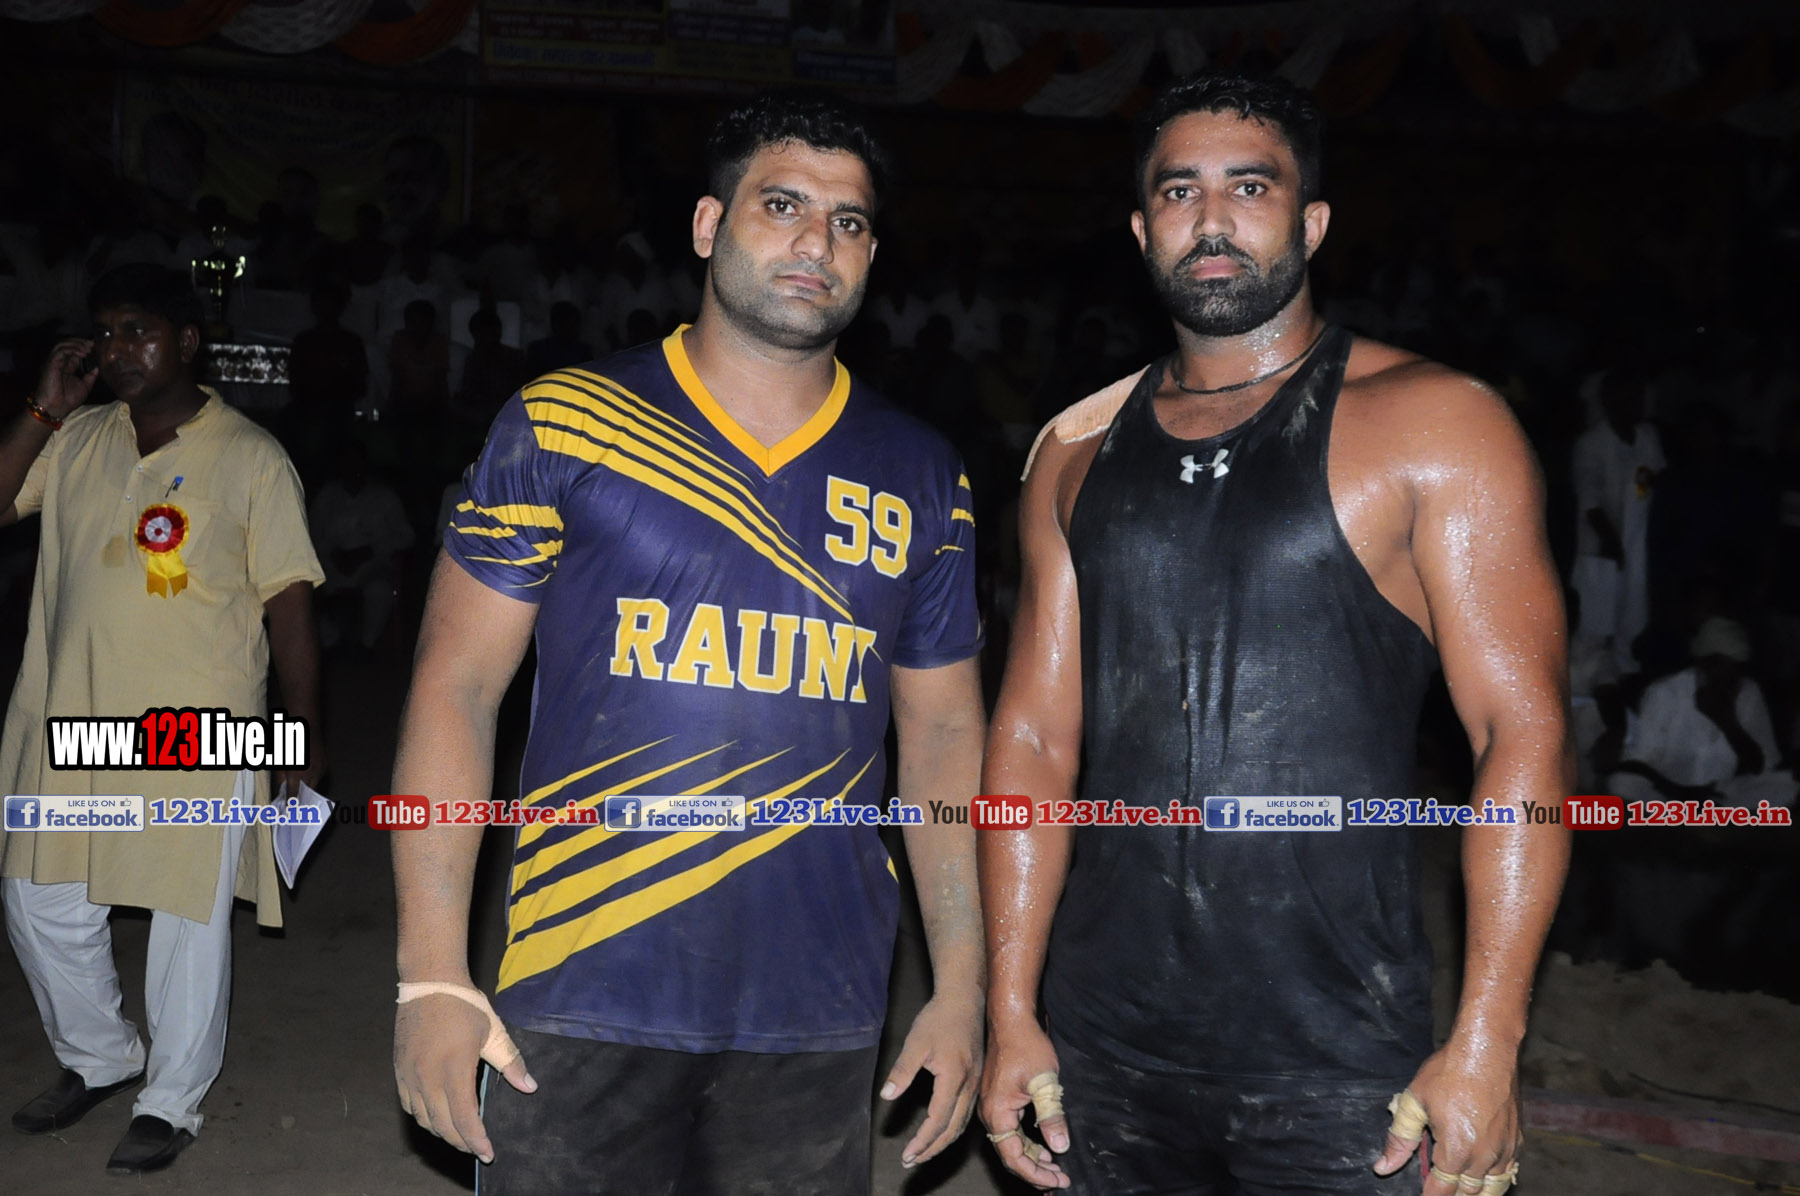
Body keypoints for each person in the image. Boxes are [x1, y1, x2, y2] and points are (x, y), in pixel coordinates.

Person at [978, 73, 1571, 1196]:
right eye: (1179, 192)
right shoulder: (1072, 453)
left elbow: (1522, 735)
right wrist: (1010, 1011)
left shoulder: (1437, 423)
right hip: (1102, 1048)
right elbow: (1032, 741)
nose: (1212, 220)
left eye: (1249, 188)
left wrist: (1488, 1039)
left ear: (1313, 222)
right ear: (1142, 228)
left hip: (1342, 1058)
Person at [390, 92, 986, 1194]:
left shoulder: (922, 472)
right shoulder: (566, 421)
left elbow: (946, 733)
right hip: (580, 977)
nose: (817, 242)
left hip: (819, 1003)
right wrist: (430, 971)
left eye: (849, 221)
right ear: (710, 226)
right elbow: (457, 686)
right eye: (783, 205)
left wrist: (963, 984)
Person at [0, 264, 323, 1174]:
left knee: (187, 918)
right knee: (37, 896)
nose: (118, 350)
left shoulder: (251, 455)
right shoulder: (75, 435)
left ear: (187, 340)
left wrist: (301, 729)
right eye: (106, 332)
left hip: (197, 731)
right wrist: (43, 407)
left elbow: (290, 604)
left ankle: (171, 1101)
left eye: (138, 330)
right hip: (68, 719)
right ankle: (101, 1054)